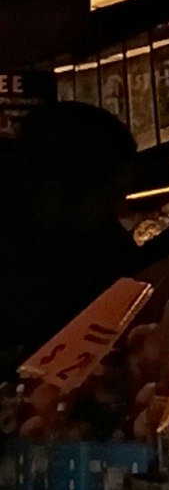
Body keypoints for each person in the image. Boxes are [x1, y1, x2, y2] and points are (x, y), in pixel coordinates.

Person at [0, 102, 147, 381]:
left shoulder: (98, 244)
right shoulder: (92, 248)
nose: (120, 211)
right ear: (53, 196)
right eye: (109, 197)